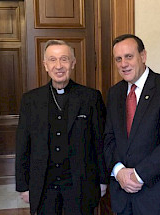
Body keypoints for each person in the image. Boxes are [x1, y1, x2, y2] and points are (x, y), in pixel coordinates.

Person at [16, 39, 108, 215]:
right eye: (52, 60)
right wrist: (23, 185)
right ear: (45, 65)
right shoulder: (30, 100)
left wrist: (103, 180)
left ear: (73, 63)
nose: (58, 66)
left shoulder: (91, 97)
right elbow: (22, 144)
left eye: (64, 59)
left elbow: (100, 142)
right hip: (43, 185)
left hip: (80, 184)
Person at [104, 34, 160, 215]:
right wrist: (119, 171)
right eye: (118, 59)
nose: (123, 64)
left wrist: (138, 175)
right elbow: (108, 138)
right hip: (123, 197)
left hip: (158, 197)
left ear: (143, 56)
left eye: (129, 56)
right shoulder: (114, 93)